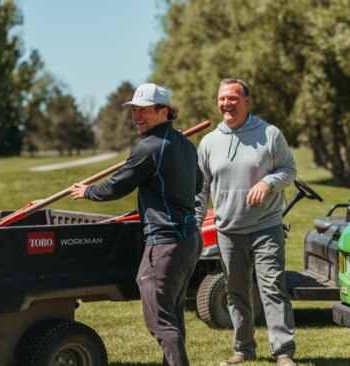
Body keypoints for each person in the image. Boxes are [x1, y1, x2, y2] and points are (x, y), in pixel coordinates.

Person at [70, 83, 203, 366]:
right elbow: (198, 184)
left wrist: (87, 191)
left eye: (144, 110)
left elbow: (117, 186)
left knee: (159, 322)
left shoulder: (149, 148)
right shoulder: (186, 145)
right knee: (172, 316)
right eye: (134, 111)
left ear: (163, 110)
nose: (137, 116)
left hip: (165, 244)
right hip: (189, 240)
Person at [195, 79, 297, 366]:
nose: (226, 104)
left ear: (246, 101)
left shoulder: (270, 134)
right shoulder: (209, 142)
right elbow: (201, 189)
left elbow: (289, 169)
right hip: (227, 230)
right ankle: (243, 349)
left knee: (273, 288)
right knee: (236, 292)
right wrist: (195, 223)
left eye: (232, 98)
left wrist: (268, 182)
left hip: (266, 226)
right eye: (222, 98)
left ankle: (283, 352)